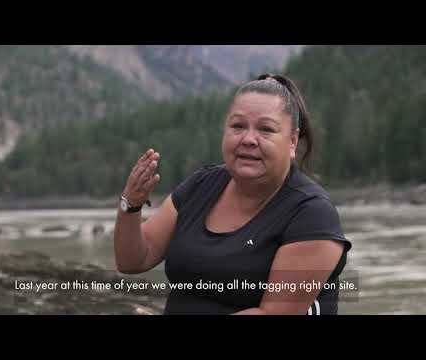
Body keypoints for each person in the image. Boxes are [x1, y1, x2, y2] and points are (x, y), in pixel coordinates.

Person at [113, 73, 352, 315]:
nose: (248, 139)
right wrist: (131, 204)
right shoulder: (201, 185)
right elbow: (133, 260)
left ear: (292, 142)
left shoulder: (312, 214)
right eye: (238, 126)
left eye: (266, 129)